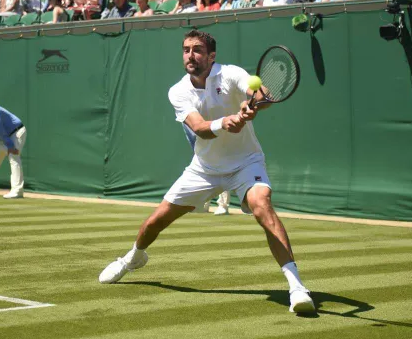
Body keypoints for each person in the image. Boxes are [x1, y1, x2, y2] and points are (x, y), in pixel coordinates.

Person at [98, 30, 316, 315]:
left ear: (211, 56)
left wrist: (249, 105)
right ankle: (133, 258)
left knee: (262, 206)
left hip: (246, 163)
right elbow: (200, 128)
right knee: (154, 223)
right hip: (204, 169)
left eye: (198, 50)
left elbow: (261, 94)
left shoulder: (231, 74)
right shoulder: (178, 91)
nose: (191, 55)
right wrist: (227, 121)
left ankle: (297, 287)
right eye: (186, 49)